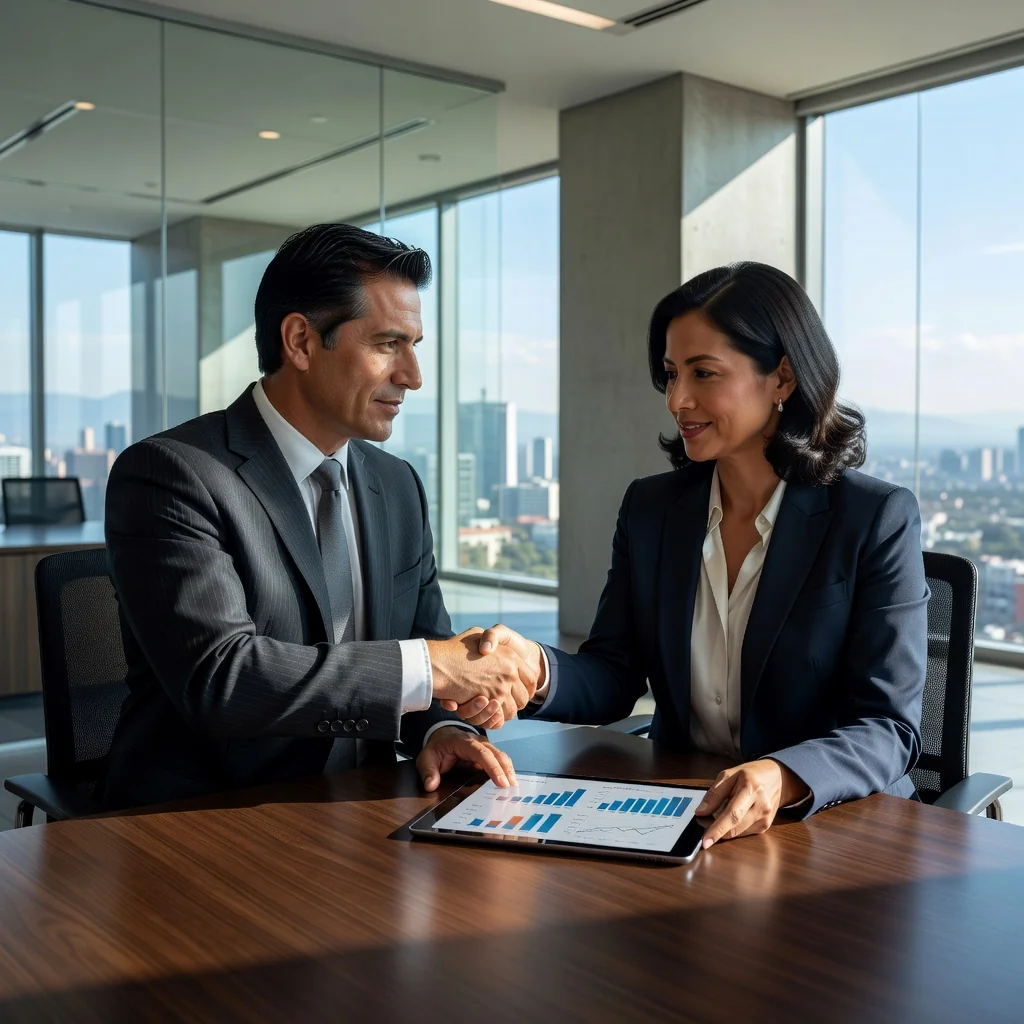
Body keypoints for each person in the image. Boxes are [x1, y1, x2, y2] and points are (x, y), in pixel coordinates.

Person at [464, 263, 928, 849]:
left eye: (704, 373)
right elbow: (614, 674)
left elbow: (888, 726)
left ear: (782, 378)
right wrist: (536, 668)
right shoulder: (651, 509)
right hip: (687, 810)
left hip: (832, 830)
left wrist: (783, 775)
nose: (677, 399)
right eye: (670, 374)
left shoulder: (874, 517)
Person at [101, 224, 540, 810]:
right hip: (206, 820)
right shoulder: (172, 473)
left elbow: (425, 646)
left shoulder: (397, 484)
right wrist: (433, 667)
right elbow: (222, 679)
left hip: (363, 810)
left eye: (414, 345)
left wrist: (442, 730)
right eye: (388, 344)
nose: (413, 375)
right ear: (301, 342)